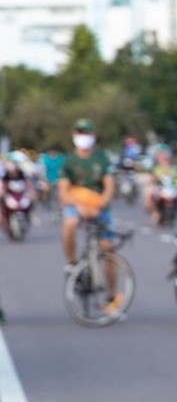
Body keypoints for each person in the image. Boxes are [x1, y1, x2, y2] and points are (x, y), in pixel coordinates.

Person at [58, 119, 122, 312]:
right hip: (76, 204)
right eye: (80, 133)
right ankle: (71, 263)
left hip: (98, 207)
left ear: (94, 136)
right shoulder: (69, 160)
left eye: (86, 133)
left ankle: (111, 297)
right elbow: (63, 190)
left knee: (108, 249)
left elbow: (109, 187)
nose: (83, 137)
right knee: (69, 223)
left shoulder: (102, 158)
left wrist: (99, 205)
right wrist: (79, 206)